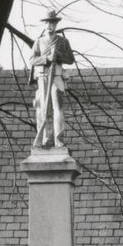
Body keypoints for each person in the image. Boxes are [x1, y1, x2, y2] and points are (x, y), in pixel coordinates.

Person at [29, 10, 74, 146]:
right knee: (44, 108)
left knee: (58, 108)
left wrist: (58, 56)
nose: (50, 25)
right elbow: (32, 59)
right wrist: (46, 58)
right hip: (42, 77)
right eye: (47, 23)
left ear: (56, 24)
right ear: (44, 24)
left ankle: (59, 139)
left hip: (56, 77)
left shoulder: (63, 41)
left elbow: (70, 59)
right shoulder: (39, 42)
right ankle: (46, 138)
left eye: (52, 23)